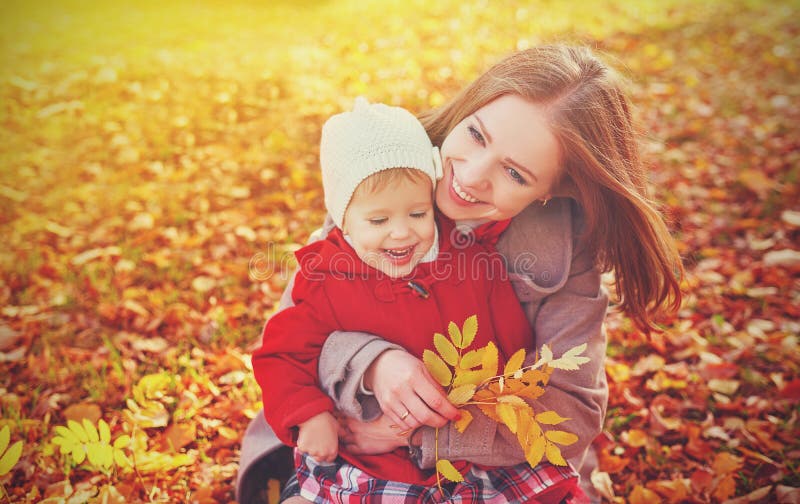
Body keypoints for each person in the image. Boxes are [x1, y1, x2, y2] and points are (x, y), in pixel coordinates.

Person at [237, 44, 683, 503]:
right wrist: (372, 362)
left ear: (555, 190)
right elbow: (295, 333)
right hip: (352, 449)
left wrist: (420, 435)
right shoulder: (387, 174)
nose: (470, 177)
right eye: (476, 135)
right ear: (468, 107)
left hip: (496, 463)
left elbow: (571, 406)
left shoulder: (566, 253)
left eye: (515, 173)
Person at [252, 97, 586, 503]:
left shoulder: (472, 262)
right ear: (343, 219)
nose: (401, 233)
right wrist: (309, 415)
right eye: (379, 221)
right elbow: (283, 354)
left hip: (469, 456)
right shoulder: (326, 276)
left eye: (418, 214)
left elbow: (515, 354)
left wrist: (488, 401)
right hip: (370, 461)